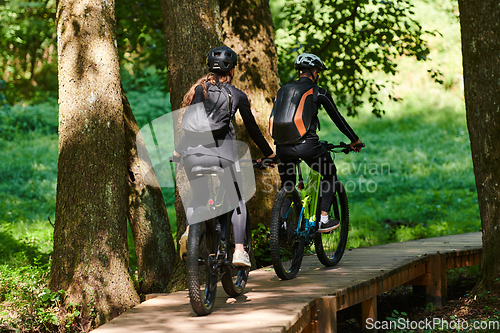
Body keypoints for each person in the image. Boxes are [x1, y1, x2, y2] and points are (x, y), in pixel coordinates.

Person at [173, 46, 277, 267]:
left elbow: (191, 127)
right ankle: (239, 250)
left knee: (199, 197)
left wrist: (178, 152)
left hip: (193, 155)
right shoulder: (237, 95)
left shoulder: (198, 90)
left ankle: (189, 232)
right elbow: (253, 130)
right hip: (223, 157)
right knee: (237, 199)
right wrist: (270, 154)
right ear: (231, 70)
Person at [272, 53, 363, 233]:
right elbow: (338, 119)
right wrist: (355, 140)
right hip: (307, 146)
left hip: (282, 147)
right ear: (314, 72)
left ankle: (279, 225)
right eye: (318, 72)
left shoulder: (282, 90)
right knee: (330, 174)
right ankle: (323, 218)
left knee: (287, 185)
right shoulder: (318, 91)